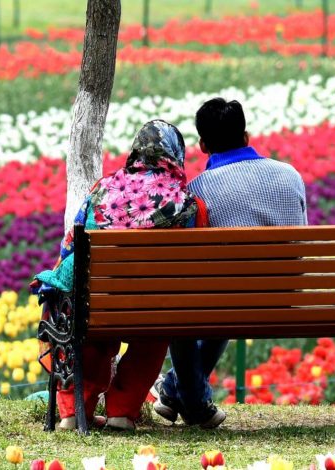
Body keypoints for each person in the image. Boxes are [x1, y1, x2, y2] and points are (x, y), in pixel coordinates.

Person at [32, 120, 208, 432]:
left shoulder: (101, 191)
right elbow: (197, 269)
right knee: (154, 333)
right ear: (175, 154)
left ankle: (74, 410)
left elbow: (71, 246)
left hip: (97, 305)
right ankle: (122, 412)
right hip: (153, 311)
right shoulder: (189, 204)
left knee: (87, 321)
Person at [152, 98, 308, 428]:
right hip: (285, 296)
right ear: (247, 137)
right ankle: (172, 393)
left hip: (225, 299)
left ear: (203, 145)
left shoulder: (196, 190)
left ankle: (188, 401)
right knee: (227, 288)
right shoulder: (290, 175)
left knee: (189, 300)